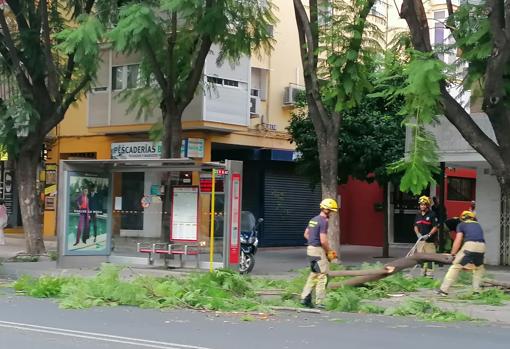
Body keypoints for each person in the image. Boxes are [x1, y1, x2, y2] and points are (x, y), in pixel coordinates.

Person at [300, 198, 339, 309]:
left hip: (310, 249)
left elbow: (306, 234)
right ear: (326, 210)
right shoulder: (323, 221)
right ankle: (319, 302)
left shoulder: (313, 219)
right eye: (331, 211)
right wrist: (329, 251)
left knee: (314, 273)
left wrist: (313, 241)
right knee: (322, 275)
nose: (331, 213)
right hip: (318, 250)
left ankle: (305, 298)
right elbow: (323, 240)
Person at [437, 210, 486, 296]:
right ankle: (476, 291)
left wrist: (453, 253)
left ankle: (443, 290)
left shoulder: (461, 224)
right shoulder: (478, 225)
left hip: (470, 245)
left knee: (456, 266)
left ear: (462, 218)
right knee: (478, 268)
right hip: (482, 246)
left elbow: (458, 239)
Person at [413, 196, 440, 277]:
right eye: (421, 204)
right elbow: (415, 226)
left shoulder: (432, 214)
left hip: (430, 241)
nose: (422, 206)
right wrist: (418, 234)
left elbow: (435, 227)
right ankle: (422, 274)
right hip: (420, 241)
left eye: (424, 204)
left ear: (427, 205)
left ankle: (429, 275)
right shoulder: (418, 214)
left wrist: (429, 235)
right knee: (421, 258)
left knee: (430, 259)